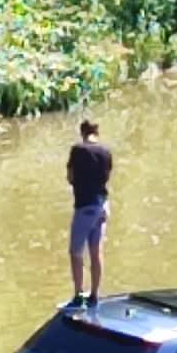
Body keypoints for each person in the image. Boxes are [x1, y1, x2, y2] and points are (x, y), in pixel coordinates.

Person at [65, 118, 112, 308]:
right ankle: (94, 295)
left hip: (84, 207)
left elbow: (70, 177)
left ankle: (78, 295)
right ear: (96, 132)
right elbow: (106, 177)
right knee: (96, 251)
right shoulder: (106, 152)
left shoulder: (77, 150)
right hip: (102, 206)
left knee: (76, 252)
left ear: (82, 132)